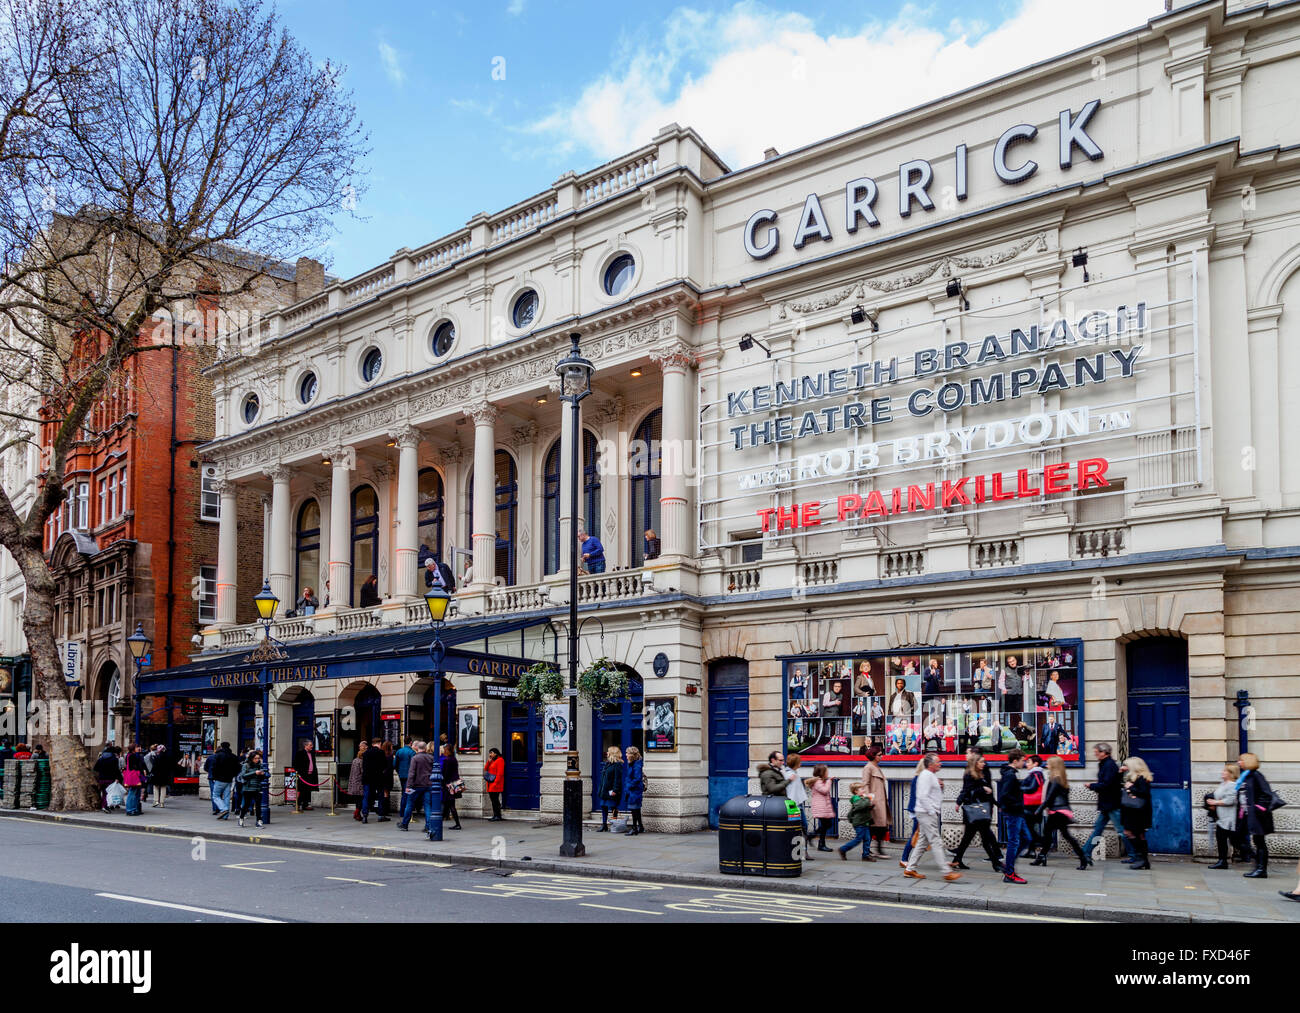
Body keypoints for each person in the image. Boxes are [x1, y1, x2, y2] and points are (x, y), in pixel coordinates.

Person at [903, 754, 961, 881]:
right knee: (936, 841)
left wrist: (940, 787)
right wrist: (931, 811)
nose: (940, 764)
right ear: (930, 765)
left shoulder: (931, 776)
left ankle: (910, 869)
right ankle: (946, 872)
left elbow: (933, 794)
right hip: (926, 813)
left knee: (922, 842)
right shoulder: (925, 776)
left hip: (927, 812)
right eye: (938, 762)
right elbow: (922, 796)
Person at [1082, 742, 1134, 864]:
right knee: (1098, 829)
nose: (1095, 755)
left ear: (1104, 753)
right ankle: (1086, 852)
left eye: (1097, 752)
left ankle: (1135, 854)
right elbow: (1111, 781)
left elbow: (1107, 784)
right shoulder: (1106, 764)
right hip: (1107, 804)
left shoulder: (1109, 765)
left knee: (1122, 830)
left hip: (1112, 804)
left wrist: (1092, 785)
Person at [950, 753, 1002, 872]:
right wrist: (958, 802)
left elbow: (988, 793)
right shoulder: (970, 774)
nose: (984, 764)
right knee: (985, 837)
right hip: (974, 810)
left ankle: (957, 860)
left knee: (968, 838)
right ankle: (995, 863)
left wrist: (997, 804)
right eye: (981, 762)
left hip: (979, 810)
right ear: (975, 763)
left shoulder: (981, 773)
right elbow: (967, 791)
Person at [1035, 756, 1088, 869]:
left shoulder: (1056, 779)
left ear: (1054, 766)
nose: (1046, 766)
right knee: (1058, 835)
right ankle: (1042, 856)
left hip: (1057, 811)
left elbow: (1049, 797)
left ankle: (1083, 857)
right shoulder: (1061, 778)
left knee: (1052, 834)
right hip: (1061, 811)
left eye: (1048, 764)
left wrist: (1039, 809)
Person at [1236, 752, 1278, 880]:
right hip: (1248, 815)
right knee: (1238, 837)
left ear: (1247, 761)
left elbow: (1267, 794)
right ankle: (1257, 864)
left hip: (1258, 815)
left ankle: (1261, 869)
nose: (1238, 762)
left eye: (1241, 760)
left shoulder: (1256, 776)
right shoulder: (1246, 776)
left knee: (1259, 841)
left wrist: (1257, 808)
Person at [997, 748, 1030, 884]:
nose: (1025, 762)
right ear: (1015, 761)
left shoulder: (1011, 774)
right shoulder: (1010, 775)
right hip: (1013, 813)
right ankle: (1009, 873)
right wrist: (1016, 804)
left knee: (1026, 838)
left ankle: (1007, 865)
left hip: (1017, 812)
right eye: (1023, 760)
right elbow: (1005, 795)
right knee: (1014, 842)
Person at [1120, 756, 1154, 870]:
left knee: (1131, 833)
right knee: (1138, 835)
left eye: (1127, 765)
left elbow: (1144, 794)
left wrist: (1131, 788)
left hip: (1138, 812)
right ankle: (1143, 860)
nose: (1126, 767)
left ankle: (1141, 859)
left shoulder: (1142, 778)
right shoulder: (1134, 777)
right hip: (1134, 811)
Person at [1205, 763, 1241, 870]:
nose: (1222, 772)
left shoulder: (1232, 785)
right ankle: (1222, 861)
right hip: (1222, 817)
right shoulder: (1223, 784)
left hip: (1228, 818)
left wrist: (1215, 802)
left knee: (1235, 842)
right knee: (1221, 839)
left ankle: (1255, 857)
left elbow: (1230, 800)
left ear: (1231, 773)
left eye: (1225, 771)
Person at [861, 746, 890, 858]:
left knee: (880, 827)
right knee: (875, 827)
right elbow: (865, 784)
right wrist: (869, 799)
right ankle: (872, 850)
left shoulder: (876, 767)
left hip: (880, 801)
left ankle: (876, 849)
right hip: (874, 802)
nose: (881, 756)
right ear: (873, 756)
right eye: (879, 754)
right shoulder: (868, 767)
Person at [399, 741, 433, 835]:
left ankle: (405, 824)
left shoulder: (415, 758)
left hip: (415, 786)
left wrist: (408, 786)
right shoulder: (431, 757)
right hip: (428, 785)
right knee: (427, 806)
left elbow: (411, 773)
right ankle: (428, 826)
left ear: (417, 748)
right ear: (425, 748)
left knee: (409, 804)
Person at [898, 755, 927, 869]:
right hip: (917, 811)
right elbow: (918, 797)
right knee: (915, 835)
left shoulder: (921, 778)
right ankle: (904, 858)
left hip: (918, 810)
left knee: (925, 837)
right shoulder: (919, 778)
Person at [837, 782, 876, 861]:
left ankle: (866, 855)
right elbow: (860, 806)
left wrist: (870, 806)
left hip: (865, 822)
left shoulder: (861, 798)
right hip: (859, 823)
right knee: (858, 839)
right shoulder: (856, 798)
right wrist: (867, 798)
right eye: (861, 789)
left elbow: (864, 808)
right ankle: (843, 849)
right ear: (855, 791)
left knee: (867, 839)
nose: (864, 790)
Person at [783, 753, 811, 859]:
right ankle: (801, 852)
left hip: (797, 805)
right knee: (800, 828)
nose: (801, 763)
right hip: (794, 806)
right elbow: (791, 792)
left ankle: (803, 851)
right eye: (799, 761)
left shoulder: (794, 773)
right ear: (796, 763)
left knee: (803, 828)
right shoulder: (790, 775)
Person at [360, 737, 392, 823]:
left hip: (367, 778)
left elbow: (364, 766)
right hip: (378, 778)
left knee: (366, 797)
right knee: (380, 796)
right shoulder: (381, 752)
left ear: (372, 744)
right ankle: (381, 815)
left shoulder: (366, 753)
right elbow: (385, 765)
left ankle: (365, 815)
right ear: (379, 743)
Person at [1021, 754, 1047, 858]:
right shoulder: (1038, 773)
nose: (1026, 764)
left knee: (1028, 828)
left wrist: (1019, 788)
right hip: (1034, 805)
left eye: (1028, 762)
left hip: (1031, 805)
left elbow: (1032, 788)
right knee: (1030, 827)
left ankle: (1042, 842)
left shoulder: (1035, 773)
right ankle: (1031, 851)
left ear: (1035, 764)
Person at [806, 765, 834, 853]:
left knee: (826, 825)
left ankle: (818, 842)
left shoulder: (820, 781)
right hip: (821, 807)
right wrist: (829, 781)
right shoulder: (818, 782)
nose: (828, 773)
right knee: (827, 824)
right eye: (826, 772)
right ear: (822, 773)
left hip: (823, 806)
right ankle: (814, 838)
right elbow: (825, 790)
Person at [210, 741, 240, 820]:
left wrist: (214, 776)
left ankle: (223, 809)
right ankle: (225, 815)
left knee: (215, 796)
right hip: (229, 779)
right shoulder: (233, 756)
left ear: (222, 746)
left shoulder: (218, 755)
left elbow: (213, 767)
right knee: (226, 797)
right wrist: (233, 775)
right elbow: (238, 768)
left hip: (219, 779)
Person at [597, 746, 624, 830]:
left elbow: (617, 779)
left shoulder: (617, 765)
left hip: (611, 790)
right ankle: (604, 824)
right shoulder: (607, 764)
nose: (607, 753)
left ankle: (614, 823)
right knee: (603, 806)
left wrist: (615, 790)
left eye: (608, 752)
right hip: (604, 790)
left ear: (612, 753)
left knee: (613, 807)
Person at [237, 750, 266, 828]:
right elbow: (243, 775)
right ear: (251, 758)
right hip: (248, 788)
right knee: (246, 805)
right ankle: (241, 818)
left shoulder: (260, 765)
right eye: (255, 758)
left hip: (257, 787)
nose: (257, 760)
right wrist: (254, 773)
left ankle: (259, 821)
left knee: (258, 806)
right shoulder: (246, 765)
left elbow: (263, 777)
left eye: (258, 758)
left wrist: (263, 774)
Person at [622, 745, 645, 836]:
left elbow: (637, 778)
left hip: (634, 791)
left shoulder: (637, 765)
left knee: (634, 809)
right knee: (636, 809)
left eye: (627, 753)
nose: (626, 755)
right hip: (632, 790)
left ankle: (634, 828)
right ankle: (641, 826)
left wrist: (629, 786)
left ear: (632, 755)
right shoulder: (632, 764)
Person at [440, 743, 462, 830]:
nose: (443, 751)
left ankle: (457, 824)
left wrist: (442, 782)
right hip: (455, 783)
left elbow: (445, 774)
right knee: (448, 804)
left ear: (447, 750)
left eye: (445, 750)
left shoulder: (447, 760)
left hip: (449, 785)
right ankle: (445, 820)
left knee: (450, 805)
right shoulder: (454, 759)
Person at [93, 746, 121, 812]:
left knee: (104, 792)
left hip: (102, 778)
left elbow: (95, 768)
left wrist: (101, 770)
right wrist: (117, 778)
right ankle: (106, 806)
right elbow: (116, 770)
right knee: (109, 793)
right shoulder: (114, 759)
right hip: (110, 778)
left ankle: (104, 805)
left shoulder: (101, 758)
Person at [293, 738, 317, 812]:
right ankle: (298, 804)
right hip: (303, 775)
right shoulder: (300, 753)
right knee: (302, 791)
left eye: (312, 745)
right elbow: (295, 764)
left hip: (311, 775)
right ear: (305, 746)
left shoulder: (312, 754)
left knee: (308, 791)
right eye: (310, 745)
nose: (312, 746)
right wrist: (299, 773)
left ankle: (305, 805)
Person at [122, 744, 145, 816]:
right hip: (134, 776)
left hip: (135, 775)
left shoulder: (132, 755)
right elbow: (133, 766)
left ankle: (134, 809)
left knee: (136, 793)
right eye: (137, 747)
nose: (138, 748)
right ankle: (129, 810)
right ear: (133, 748)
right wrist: (139, 770)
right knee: (132, 792)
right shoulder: (131, 755)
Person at [484, 747, 505, 821]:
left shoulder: (500, 760)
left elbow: (500, 773)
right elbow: (486, 769)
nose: (490, 754)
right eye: (489, 753)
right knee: (493, 800)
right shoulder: (492, 761)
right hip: (490, 783)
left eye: (491, 753)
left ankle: (498, 816)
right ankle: (495, 815)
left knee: (495, 800)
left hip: (496, 784)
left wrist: (495, 783)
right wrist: (488, 762)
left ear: (496, 753)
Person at [349, 740, 368, 821]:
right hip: (360, 783)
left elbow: (351, 773)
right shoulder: (362, 760)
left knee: (357, 799)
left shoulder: (355, 760)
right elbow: (363, 771)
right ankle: (357, 812)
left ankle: (357, 814)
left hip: (354, 782)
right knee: (361, 799)